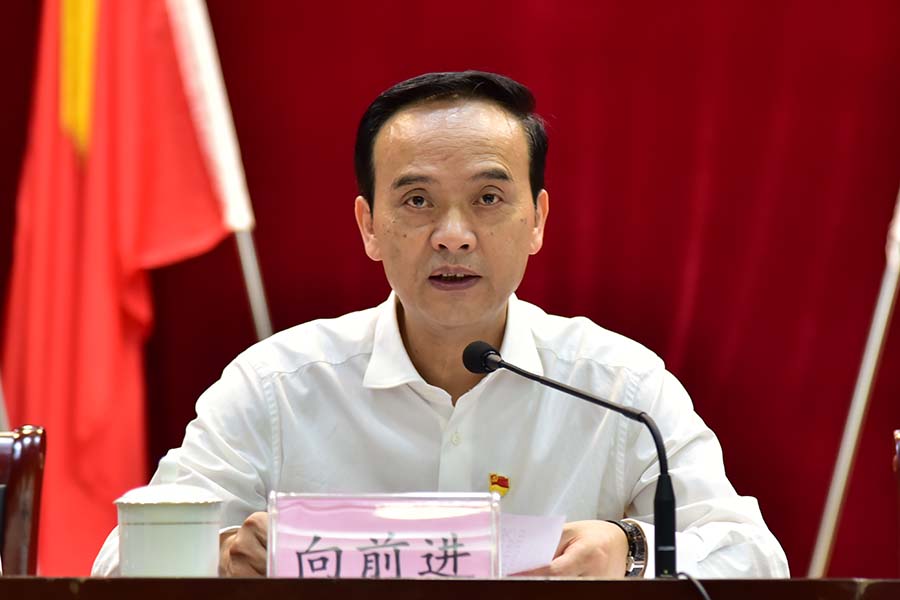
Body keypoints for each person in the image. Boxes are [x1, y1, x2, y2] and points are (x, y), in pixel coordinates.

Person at [93, 71, 788, 578]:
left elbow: (753, 557)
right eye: (418, 200)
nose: (454, 235)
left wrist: (630, 550)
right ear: (369, 225)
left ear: (538, 219)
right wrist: (218, 558)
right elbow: (118, 564)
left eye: (488, 198)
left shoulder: (618, 387)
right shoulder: (275, 387)